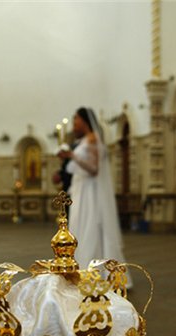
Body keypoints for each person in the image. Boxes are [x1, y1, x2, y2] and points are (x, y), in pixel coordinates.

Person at [59, 107, 131, 285]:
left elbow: (94, 169)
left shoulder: (92, 139)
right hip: (82, 190)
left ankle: (95, 271)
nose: (74, 125)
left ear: (84, 121)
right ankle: (83, 268)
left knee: (90, 226)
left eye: (76, 121)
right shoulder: (85, 140)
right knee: (81, 227)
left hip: (90, 192)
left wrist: (72, 156)